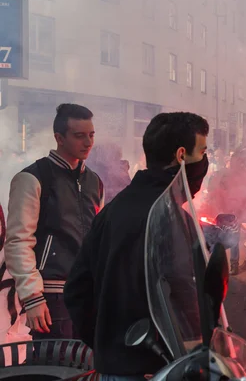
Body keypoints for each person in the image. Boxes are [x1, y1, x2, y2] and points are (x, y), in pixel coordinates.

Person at [64, 112, 209, 379]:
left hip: (113, 369)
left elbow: (76, 290)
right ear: (181, 156)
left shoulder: (112, 210)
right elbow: (185, 296)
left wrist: (109, 347)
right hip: (157, 370)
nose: (204, 161)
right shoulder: (170, 218)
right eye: (202, 151)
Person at [4, 104, 103, 340]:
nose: (88, 142)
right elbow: (18, 241)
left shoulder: (94, 181)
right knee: (57, 369)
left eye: (91, 135)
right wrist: (32, 296)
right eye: (79, 136)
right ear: (59, 138)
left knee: (88, 369)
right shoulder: (32, 178)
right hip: (50, 296)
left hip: (87, 292)